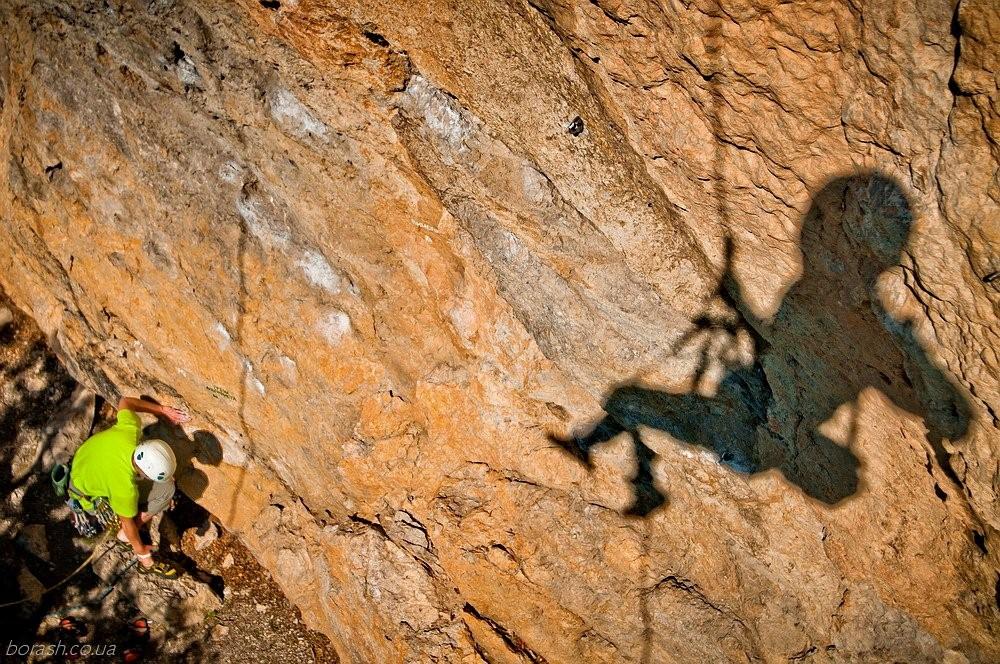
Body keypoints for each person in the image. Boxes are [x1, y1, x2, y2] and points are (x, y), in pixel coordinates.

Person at [69, 396, 190, 578]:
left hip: (82, 469)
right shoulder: (124, 488)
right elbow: (127, 522)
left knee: (158, 487)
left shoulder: (129, 430)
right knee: (166, 490)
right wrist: (143, 555)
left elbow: (126, 402)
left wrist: (162, 410)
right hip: (88, 498)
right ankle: (123, 537)